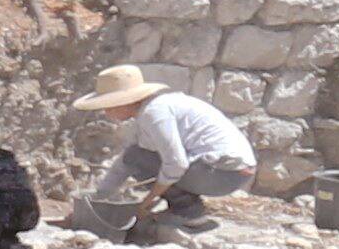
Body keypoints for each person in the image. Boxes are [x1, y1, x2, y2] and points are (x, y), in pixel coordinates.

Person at [71, 66, 257, 240]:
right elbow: (127, 161)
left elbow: (176, 163)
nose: (106, 111)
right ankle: (186, 209)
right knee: (138, 156)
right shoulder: (152, 110)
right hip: (229, 172)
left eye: (109, 106)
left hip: (223, 174)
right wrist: (100, 197)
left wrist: (147, 202)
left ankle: (189, 213)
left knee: (141, 159)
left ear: (126, 101)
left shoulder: (154, 113)